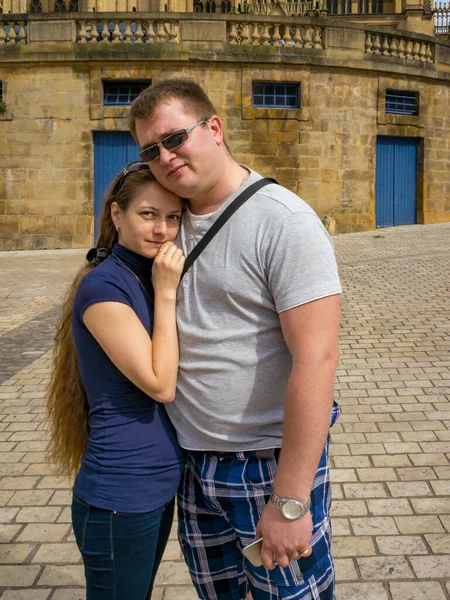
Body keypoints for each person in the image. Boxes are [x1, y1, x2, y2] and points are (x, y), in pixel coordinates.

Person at [129, 78, 342, 600]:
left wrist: (291, 501)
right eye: (151, 150)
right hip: (193, 466)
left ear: (215, 128)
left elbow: (317, 359)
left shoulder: (284, 222)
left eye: (175, 138)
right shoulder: (167, 221)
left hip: (266, 466)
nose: (166, 156)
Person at [46, 163, 186, 600]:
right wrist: (166, 293)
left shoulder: (142, 273)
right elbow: (161, 384)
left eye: (173, 218)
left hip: (154, 487)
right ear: (116, 215)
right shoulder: (105, 287)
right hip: (120, 495)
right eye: (148, 214)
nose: (162, 230)